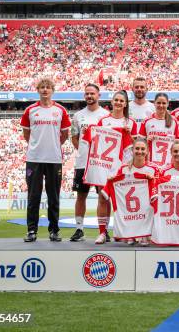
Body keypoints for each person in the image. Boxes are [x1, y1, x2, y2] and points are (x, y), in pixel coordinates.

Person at [20, 78, 71, 242]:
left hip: (54, 159)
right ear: (38, 90)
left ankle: (54, 230)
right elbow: (26, 134)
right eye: (42, 87)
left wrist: (52, 146)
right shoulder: (30, 110)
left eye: (48, 87)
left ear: (52, 90)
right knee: (33, 196)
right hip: (34, 159)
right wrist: (38, 146)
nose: (44, 90)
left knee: (53, 196)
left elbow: (64, 135)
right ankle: (31, 231)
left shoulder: (60, 110)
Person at [93, 90, 138, 244]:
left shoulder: (131, 123)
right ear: (112, 102)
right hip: (106, 165)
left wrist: (130, 135)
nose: (118, 103)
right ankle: (102, 232)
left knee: (124, 200)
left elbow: (136, 146)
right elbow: (97, 143)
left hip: (124, 165)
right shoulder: (103, 121)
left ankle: (126, 232)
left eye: (121, 101)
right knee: (102, 198)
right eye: (116, 100)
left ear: (125, 104)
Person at [69, 83, 109, 242]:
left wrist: (96, 155)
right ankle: (79, 229)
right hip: (83, 163)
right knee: (81, 196)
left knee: (104, 197)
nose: (89, 96)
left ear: (99, 95)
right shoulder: (78, 116)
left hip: (100, 163)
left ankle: (104, 230)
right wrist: (85, 151)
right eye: (87, 94)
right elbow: (74, 137)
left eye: (92, 93)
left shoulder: (106, 115)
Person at [100, 138, 157, 245]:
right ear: (132, 150)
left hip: (146, 208)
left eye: (142, 149)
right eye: (137, 149)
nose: (140, 151)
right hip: (130, 208)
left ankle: (145, 233)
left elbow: (158, 189)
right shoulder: (124, 169)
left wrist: (153, 179)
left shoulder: (154, 169)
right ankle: (131, 234)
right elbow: (117, 186)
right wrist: (112, 180)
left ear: (148, 151)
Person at [140, 93, 179, 167]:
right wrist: (146, 140)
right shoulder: (147, 121)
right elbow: (139, 142)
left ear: (167, 104)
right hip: (150, 163)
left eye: (164, 103)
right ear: (154, 103)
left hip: (168, 164)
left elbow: (177, 144)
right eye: (158, 103)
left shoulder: (174, 121)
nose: (161, 105)